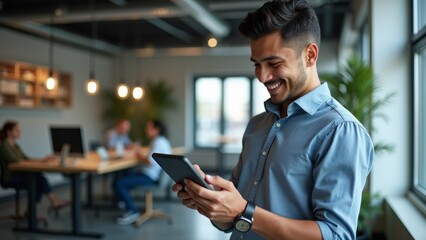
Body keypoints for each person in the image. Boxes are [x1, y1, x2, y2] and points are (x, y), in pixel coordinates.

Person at [172, 0, 374, 239]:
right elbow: (236, 220)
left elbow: (335, 235)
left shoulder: (340, 130)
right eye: (257, 64)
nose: (262, 76)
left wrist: (244, 211)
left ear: (310, 55)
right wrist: (213, 203)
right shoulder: (257, 125)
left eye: (274, 63)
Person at [0, 120, 70, 216]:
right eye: (16, 130)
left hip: (20, 174)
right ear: (8, 132)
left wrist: (43, 160)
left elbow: (26, 159)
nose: (19, 132)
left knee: (39, 178)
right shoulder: (4, 146)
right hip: (11, 178)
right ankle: (51, 202)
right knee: (37, 181)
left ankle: (34, 210)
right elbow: (16, 161)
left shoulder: (16, 146)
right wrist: (40, 161)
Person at [114, 119, 172, 225]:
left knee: (119, 183)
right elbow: (153, 159)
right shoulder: (161, 141)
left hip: (151, 177)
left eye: (149, 128)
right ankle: (124, 202)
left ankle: (132, 211)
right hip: (153, 174)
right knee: (125, 175)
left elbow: (150, 162)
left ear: (156, 130)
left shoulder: (158, 142)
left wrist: (138, 156)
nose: (146, 130)